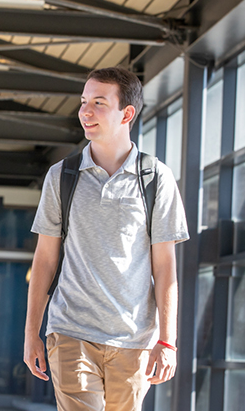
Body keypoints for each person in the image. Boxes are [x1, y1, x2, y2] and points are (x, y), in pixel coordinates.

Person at [23, 67, 189, 411]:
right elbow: (45, 260)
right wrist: (32, 333)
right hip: (71, 330)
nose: (86, 111)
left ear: (126, 113)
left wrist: (168, 341)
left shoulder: (156, 178)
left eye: (99, 102)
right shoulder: (62, 176)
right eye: (84, 102)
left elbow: (165, 266)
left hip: (134, 338)